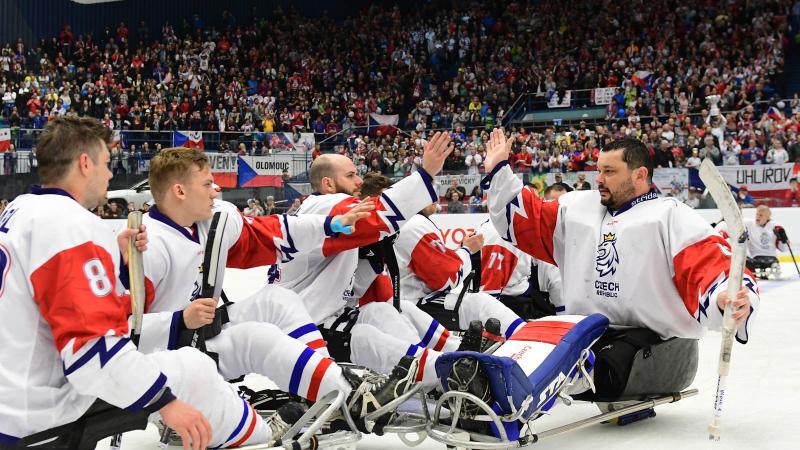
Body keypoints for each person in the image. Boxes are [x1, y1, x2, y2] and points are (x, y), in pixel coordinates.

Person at [0, 117, 283, 449]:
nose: (109, 174)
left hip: (12, 398)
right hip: (41, 415)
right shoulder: (72, 226)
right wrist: (165, 401)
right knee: (193, 367)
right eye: (106, 164)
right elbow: (92, 351)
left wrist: (116, 260)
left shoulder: (20, 209)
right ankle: (267, 441)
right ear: (85, 163)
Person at [138, 147, 414, 423]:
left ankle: (327, 395)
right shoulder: (147, 247)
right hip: (166, 362)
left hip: (200, 334)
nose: (216, 189)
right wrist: (180, 320)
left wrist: (332, 225)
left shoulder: (212, 220)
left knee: (276, 298)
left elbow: (274, 229)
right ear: (180, 192)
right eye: (207, 184)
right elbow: (115, 334)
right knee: (257, 344)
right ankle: (328, 398)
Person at [481, 128, 758, 398]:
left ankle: (528, 389)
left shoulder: (669, 216)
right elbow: (528, 219)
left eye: (609, 172)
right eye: (598, 170)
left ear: (640, 175)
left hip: (655, 348)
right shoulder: (576, 207)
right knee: (543, 339)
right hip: (588, 333)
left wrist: (726, 297)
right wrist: (499, 172)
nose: (599, 179)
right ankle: (489, 384)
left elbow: (711, 262)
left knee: (602, 361)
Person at [271, 131, 457, 391]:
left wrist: (374, 257)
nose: (359, 181)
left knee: (381, 310)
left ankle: (443, 365)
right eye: (350, 176)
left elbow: (351, 289)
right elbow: (378, 216)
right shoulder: (324, 206)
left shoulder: (326, 216)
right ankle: (444, 373)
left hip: (321, 317)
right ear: (328, 185)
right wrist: (424, 174)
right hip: (305, 330)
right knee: (366, 337)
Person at [745, 204, 789, 279]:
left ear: (768, 217)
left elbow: (784, 249)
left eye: (761, 215)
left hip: (771, 256)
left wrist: (783, 239)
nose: (758, 217)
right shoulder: (749, 224)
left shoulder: (775, 226)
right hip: (755, 257)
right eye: (757, 214)